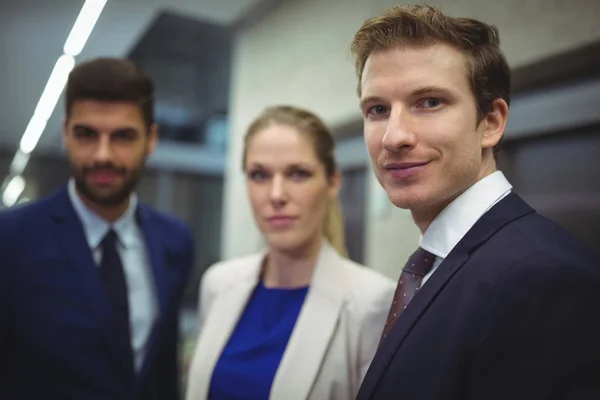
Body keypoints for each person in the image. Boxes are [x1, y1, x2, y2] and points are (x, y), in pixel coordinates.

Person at [350, 5, 600, 399]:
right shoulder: (436, 262)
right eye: (378, 109)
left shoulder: (544, 279)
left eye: (429, 102)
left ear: (491, 123)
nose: (393, 137)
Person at [0, 57, 194, 400]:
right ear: (65, 134)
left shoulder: (174, 241)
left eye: (122, 136)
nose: (102, 155)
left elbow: (162, 369)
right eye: (87, 134)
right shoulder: (11, 240)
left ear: (150, 139)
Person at [184, 105, 395, 400]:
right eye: (259, 175)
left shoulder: (372, 303)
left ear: (332, 181)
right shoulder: (218, 284)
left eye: (298, 174)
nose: (276, 195)